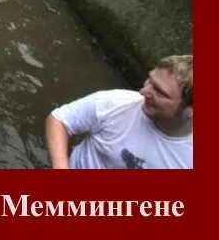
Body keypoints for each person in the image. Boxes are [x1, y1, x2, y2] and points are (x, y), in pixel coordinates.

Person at [45, 55, 193, 169]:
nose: (143, 92)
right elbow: (60, 120)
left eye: (159, 92)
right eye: (150, 81)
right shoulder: (117, 103)